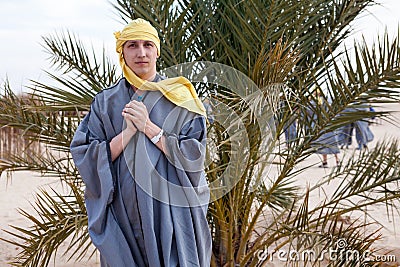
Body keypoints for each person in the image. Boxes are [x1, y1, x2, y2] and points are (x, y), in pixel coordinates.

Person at [70, 18, 211, 266]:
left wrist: (149, 128)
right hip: (123, 217)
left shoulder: (181, 98)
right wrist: (126, 135)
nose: (141, 53)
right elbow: (84, 154)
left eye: (147, 45)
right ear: (122, 52)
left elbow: (195, 155)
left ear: (157, 50)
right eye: (132, 45)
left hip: (172, 213)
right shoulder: (105, 102)